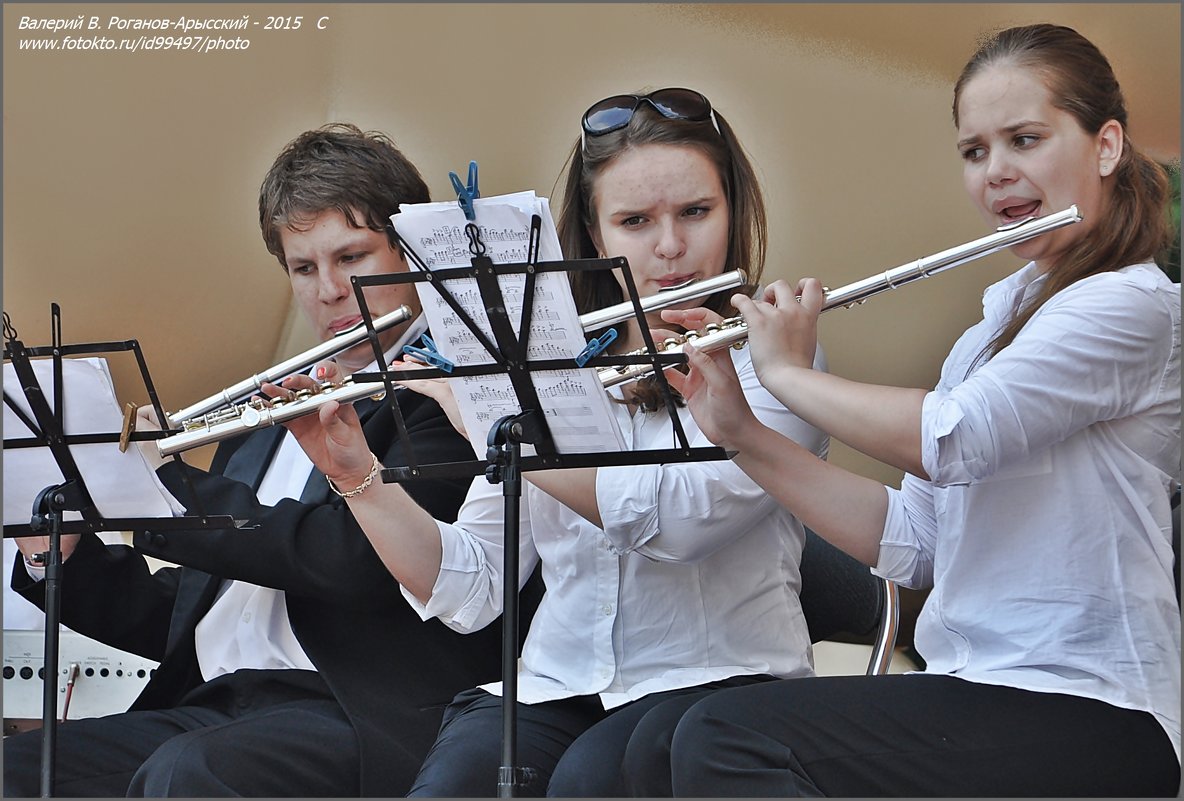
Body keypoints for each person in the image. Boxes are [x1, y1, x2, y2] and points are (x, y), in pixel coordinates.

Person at [628, 24, 1181, 797]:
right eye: (975, 151)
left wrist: (782, 370)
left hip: (1092, 702)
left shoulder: (1130, 304)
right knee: (659, 741)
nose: (997, 174)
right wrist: (740, 432)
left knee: (730, 738)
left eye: (1024, 139)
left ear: (1107, 145)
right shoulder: (993, 328)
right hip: (978, 681)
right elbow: (917, 541)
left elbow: (955, 439)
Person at [279, 88, 829, 796]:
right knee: (455, 780)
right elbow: (473, 584)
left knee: (588, 780)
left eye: (695, 212)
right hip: (558, 684)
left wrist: (498, 431)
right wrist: (356, 474)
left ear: (734, 210)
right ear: (597, 238)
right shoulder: (552, 362)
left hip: (719, 688)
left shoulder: (778, 356)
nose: (668, 246)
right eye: (635, 220)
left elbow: (677, 522)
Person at [4, 123, 528, 797]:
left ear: (415, 252)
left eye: (353, 257)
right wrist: (60, 552)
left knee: (189, 770)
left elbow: (353, 561)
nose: (329, 290)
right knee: (16, 770)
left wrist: (152, 486)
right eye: (304, 268)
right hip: (211, 706)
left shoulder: (446, 398)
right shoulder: (258, 421)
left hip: (353, 711)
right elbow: (193, 610)